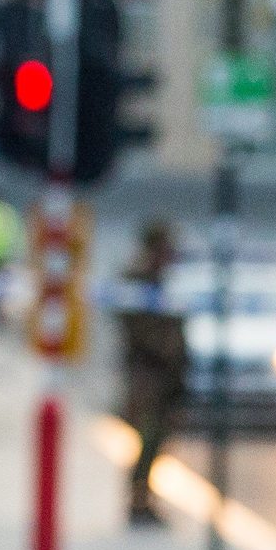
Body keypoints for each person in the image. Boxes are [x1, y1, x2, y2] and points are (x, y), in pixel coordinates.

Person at [115, 219, 188, 525]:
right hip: (148, 375)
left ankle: (144, 498)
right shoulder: (138, 280)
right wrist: (168, 350)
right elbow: (141, 330)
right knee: (148, 438)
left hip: (164, 376)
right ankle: (138, 500)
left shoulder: (159, 279)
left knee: (158, 440)